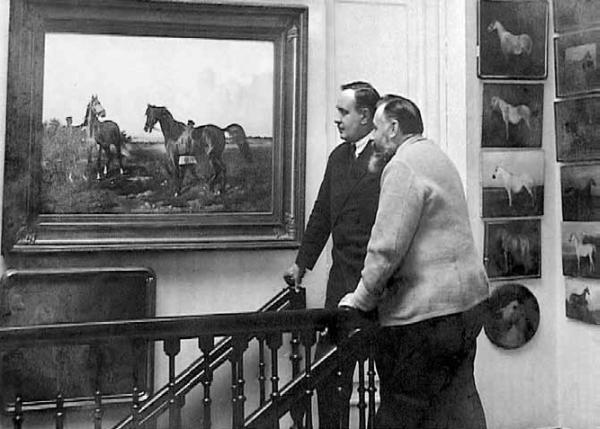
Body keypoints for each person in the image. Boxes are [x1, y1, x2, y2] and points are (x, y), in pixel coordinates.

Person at [339, 95, 490, 429]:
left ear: (393, 128)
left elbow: (387, 247)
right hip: (468, 307)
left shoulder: (402, 165)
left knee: (401, 412)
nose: (374, 138)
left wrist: (360, 299)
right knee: (458, 407)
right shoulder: (436, 156)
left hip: (427, 319)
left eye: (377, 129)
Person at [283, 81, 381, 428]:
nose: (337, 119)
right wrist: (302, 263)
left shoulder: (388, 158)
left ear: (365, 116)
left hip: (378, 286)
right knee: (329, 377)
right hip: (340, 283)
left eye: (344, 112)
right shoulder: (338, 157)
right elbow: (322, 214)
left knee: (393, 379)